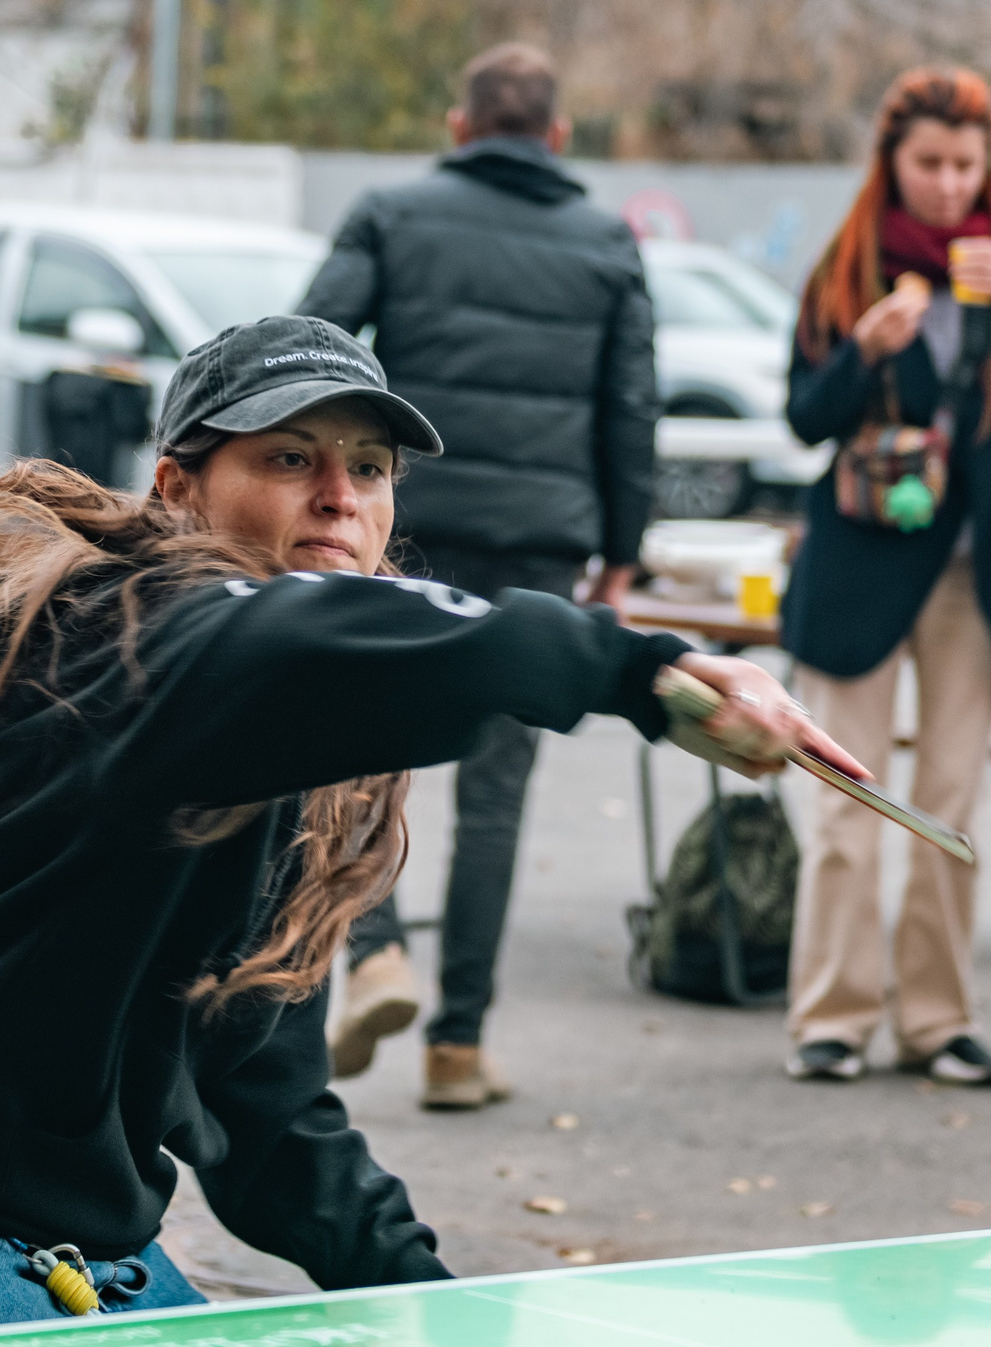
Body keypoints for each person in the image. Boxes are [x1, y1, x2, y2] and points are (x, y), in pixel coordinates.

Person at [0, 316, 847, 1341]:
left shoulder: (275, 753)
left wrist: (435, 1311)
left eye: (368, 470)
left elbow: (264, 1109)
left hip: (95, 1256)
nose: (338, 496)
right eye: (288, 458)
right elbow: (290, 639)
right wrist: (643, 670)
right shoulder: (126, 644)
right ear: (179, 488)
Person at [297, 42, 659, 1106]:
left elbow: (307, 346)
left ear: (459, 128)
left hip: (408, 523)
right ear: (557, 138)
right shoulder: (606, 241)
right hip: (542, 544)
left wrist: (325, 487)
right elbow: (630, 404)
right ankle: (458, 1046)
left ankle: (375, 953)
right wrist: (623, 549)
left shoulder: (390, 212)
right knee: (496, 799)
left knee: (359, 753)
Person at [778, 66, 991, 1087]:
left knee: (951, 806)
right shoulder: (849, 262)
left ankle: (937, 1022)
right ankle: (832, 1018)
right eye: (929, 164)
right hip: (862, 562)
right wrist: (861, 353)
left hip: (972, 572)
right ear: (891, 163)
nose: (949, 184)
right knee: (845, 806)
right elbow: (804, 419)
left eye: (965, 163)